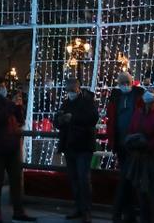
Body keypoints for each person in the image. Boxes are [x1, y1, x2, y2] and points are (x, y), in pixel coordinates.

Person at [0, 75, 37, 222]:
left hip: (12, 144)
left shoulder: (5, 101)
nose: (4, 89)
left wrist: (18, 108)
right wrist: (10, 107)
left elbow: (17, 119)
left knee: (16, 180)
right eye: (2, 86)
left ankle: (18, 211)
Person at [54, 75, 99, 222]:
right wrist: (60, 119)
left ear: (78, 88)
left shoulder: (87, 101)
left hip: (84, 145)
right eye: (68, 89)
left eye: (72, 89)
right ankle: (78, 207)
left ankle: (86, 210)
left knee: (83, 178)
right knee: (74, 179)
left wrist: (72, 118)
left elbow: (92, 118)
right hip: (69, 145)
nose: (70, 92)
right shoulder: (66, 102)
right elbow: (57, 122)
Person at [105, 71, 145, 223]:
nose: (125, 86)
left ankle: (120, 212)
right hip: (121, 143)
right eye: (122, 84)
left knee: (127, 178)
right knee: (128, 178)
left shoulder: (138, 96)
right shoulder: (116, 97)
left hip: (133, 143)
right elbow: (112, 118)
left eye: (127, 83)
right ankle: (129, 213)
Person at [125, 87, 154, 223]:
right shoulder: (138, 113)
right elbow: (131, 129)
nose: (148, 104)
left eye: (151, 101)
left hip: (151, 157)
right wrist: (132, 140)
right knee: (140, 191)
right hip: (138, 156)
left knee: (153, 192)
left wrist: (147, 144)